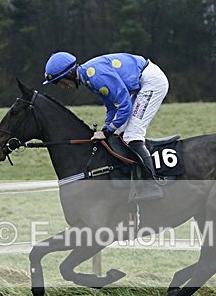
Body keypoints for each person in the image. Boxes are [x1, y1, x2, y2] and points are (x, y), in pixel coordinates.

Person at [43, 51, 168, 200]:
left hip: (152, 82)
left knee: (132, 135)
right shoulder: (88, 78)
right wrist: (106, 128)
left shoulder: (96, 77)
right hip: (142, 82)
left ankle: (151, 186)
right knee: (119, 132)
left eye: (61, 82)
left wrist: (108, 131)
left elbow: (124, 106)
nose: (63, 86)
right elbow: (111, 106)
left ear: (69, 74)